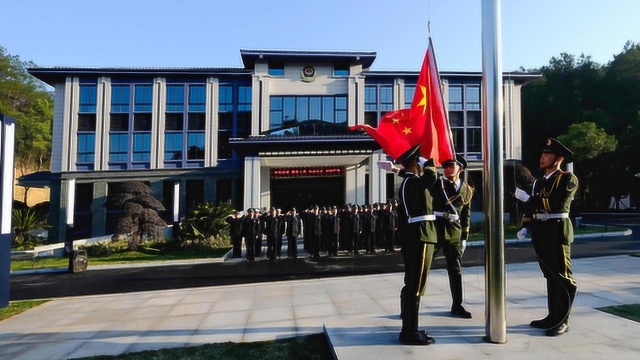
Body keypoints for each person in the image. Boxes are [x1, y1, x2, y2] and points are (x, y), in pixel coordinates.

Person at [516, 138, 579, 337]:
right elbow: (531, 208)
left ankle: (563, 320)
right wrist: (526, 225)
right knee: (550, 276)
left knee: (563, 277)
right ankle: (552, 316)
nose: (542, 157)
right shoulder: (539, 182)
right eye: (542, 154)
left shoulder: (567, 179)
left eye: (548, 154)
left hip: (557, 230)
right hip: (541, 231)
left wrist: (530, 199)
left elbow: (557, 205)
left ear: (559, 158)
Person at [379, 144, 438, 346]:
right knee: (416, 286)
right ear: (415, 162)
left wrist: (399, 168)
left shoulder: (409, 182)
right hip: (421, 237)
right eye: (419, 160)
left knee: (412, 284)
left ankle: (410, 327)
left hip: (417, 237)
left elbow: (416, 177)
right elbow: (431, 177)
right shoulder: (414, 182)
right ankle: (409, 332)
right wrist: (427, 162)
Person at [431, 154, 474, 319]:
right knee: (422, 268)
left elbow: (466, 216)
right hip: (436, 228)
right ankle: (410, 305)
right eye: (446, 166)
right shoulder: (438, 183)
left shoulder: (467, 190)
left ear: (460, 169)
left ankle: (457, 305)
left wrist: (464, 237)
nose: (448, 168)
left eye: (451, 166)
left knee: (455, 270)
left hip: (454, 232)